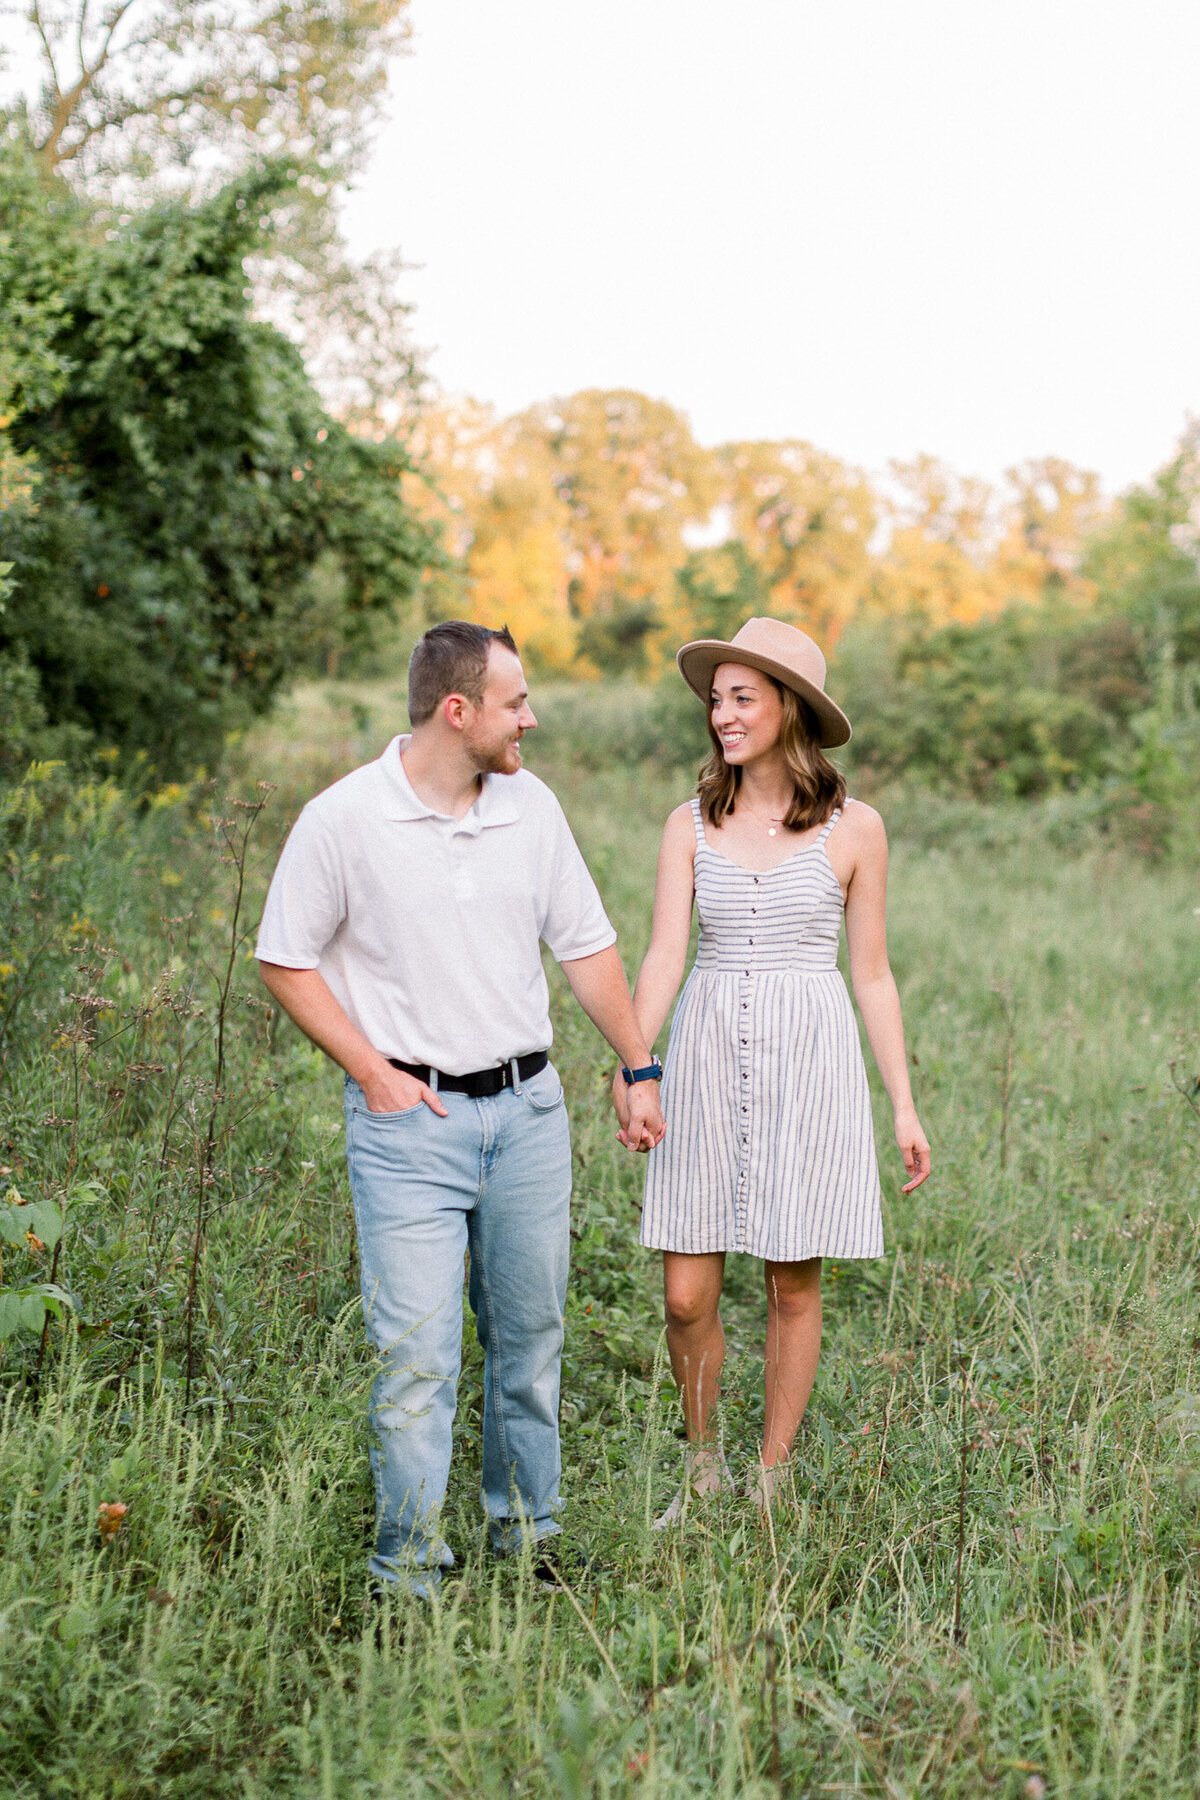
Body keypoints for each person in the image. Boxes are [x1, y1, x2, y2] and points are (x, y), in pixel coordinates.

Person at [256, 621, 664, 1598]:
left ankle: (528, 1541)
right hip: (410, 1131)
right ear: (458, 710)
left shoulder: (532, 809)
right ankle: (407, 1578)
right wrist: (372, 1070)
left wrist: (639, 1064)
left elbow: (586, 947)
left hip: (526, 1116)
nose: (530, 717)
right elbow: (284, 957)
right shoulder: (343, 818)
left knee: (529, 1349)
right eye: (515, 701)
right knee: (416, 1367)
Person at [616, 617, 929, 1519]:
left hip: (811, 1054)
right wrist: (638, 1061)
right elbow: (666, 951)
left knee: (793, 1279)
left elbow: (871, 972)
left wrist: (903, 1106)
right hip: (709, 1045)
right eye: (716, 699)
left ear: (790, 707)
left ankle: (770, 1478)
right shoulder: (690, 823)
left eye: (742, 697)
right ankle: (703, 1466)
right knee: (685, 1295)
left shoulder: (856, 828)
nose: (722, 714)